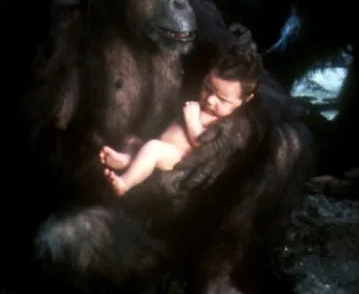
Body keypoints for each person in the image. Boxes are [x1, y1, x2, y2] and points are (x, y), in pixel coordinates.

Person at [100, 34, 263, 196]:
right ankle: (126, 160)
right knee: (132, 140)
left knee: (152, 149)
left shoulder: (223, 123)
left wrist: (192, 120)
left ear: (245, 99)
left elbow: (202, 146)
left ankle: (125, 183)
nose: (210, 100)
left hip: (177, 160)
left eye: (223, 100)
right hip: (160, 145)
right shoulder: (203, 105)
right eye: (207, 88)